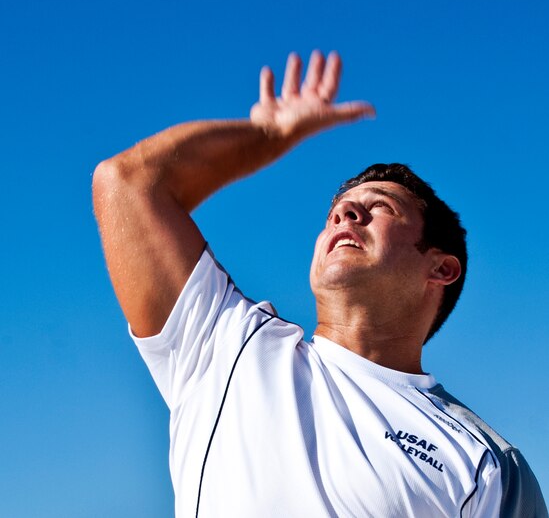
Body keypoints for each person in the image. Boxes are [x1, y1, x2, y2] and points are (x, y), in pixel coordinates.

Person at [93, 51, 547, 518]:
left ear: (441, 269)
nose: (346, 214)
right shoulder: (226, 347)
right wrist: (265, 137)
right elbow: (128, 184)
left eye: (382, 207)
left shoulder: (488, 466)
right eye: (337, 210)